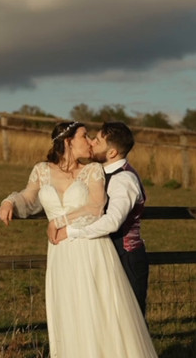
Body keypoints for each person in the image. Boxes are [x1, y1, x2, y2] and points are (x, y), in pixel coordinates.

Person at [0, 121, 196, 358]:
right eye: (83, 136)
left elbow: (96, 207)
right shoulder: (41, 170)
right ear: (66, 142)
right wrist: (9, 201)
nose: (89, 141)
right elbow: (29, 197)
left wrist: (61, 221)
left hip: (91, 252)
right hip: (61, 257)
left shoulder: (94, 173)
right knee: (71, 318)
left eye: (92, 137)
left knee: (100, 319)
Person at [47, 122, 149, 316]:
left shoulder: (124, 179)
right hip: (106, 256)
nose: (92, 143)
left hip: (126, 256)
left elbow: (112, 222)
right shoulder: (99, 173)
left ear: (111, 153)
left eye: (98, 140)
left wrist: (70, 231)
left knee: (130, 319)